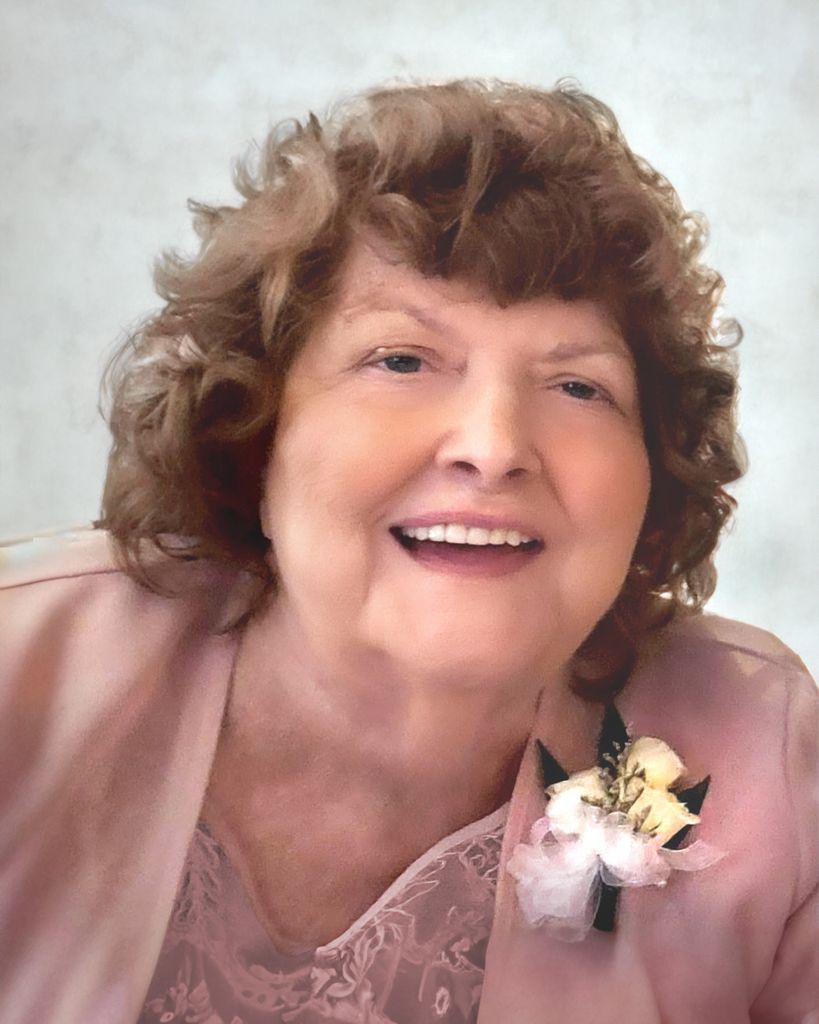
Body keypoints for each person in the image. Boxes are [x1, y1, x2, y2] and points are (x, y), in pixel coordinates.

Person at [0, 79, 816, 1024]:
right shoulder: (22, 677)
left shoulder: (760, 758)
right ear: (253, 425)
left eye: (577, 386)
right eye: (400, 360)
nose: (494, 446)